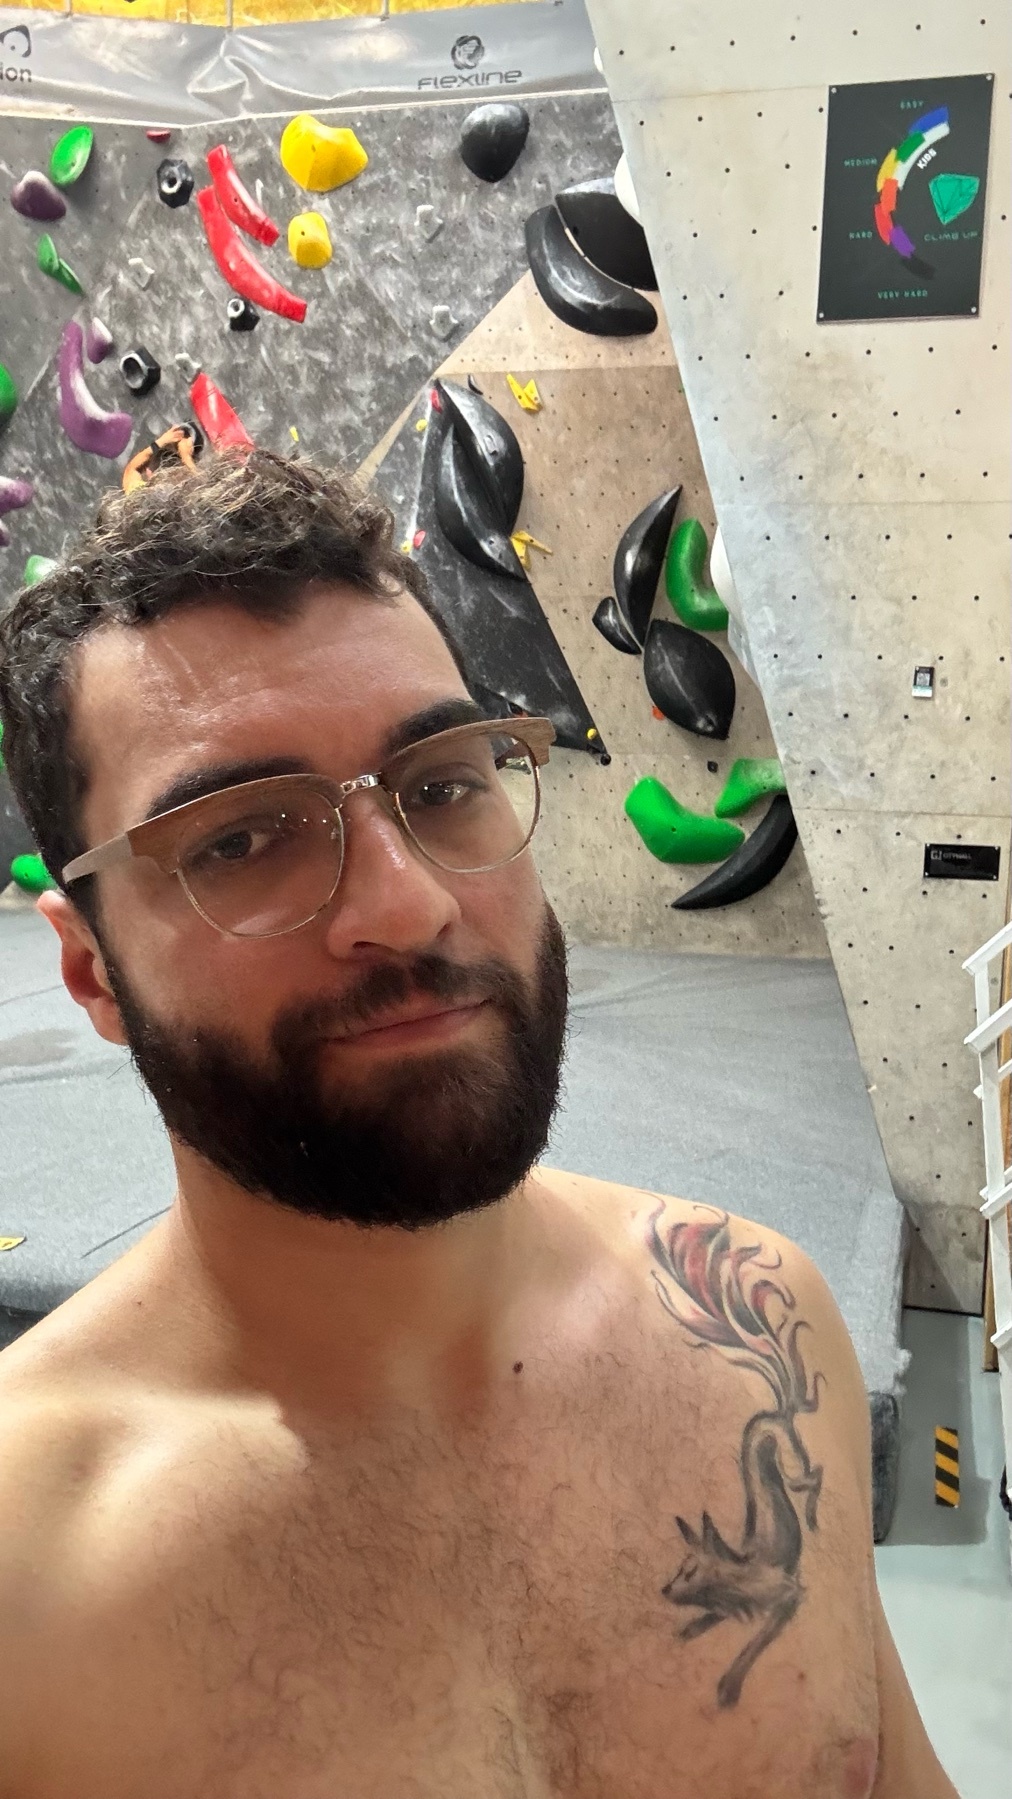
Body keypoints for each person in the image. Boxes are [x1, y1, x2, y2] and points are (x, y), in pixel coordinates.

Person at [0, 450, 956, 1799]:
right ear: (91, 968)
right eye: (239, 838)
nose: (409, 905)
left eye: (443, 782)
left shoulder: (760, 1327)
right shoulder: (28, 1575)